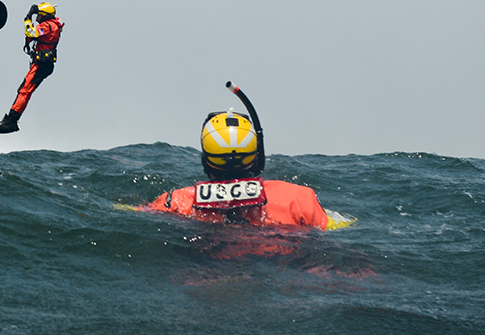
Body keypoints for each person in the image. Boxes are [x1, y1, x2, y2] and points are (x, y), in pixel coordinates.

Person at [141, 82, 353, 229]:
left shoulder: (173, 202)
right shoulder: (299, 199)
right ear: (256, 155)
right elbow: (338, 229)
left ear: (206, 160)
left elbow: (132, 213)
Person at [0, 2, 63, 134]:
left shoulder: (48, 26)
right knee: (24, 91)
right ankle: (11, 119)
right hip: (42, 64)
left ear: (45, 16)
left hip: (41, 65)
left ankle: (11, 121)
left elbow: (30, 32)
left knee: (24, 91)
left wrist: (28, 18)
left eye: (39, 15)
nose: (37, 18)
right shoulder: (52, 25)